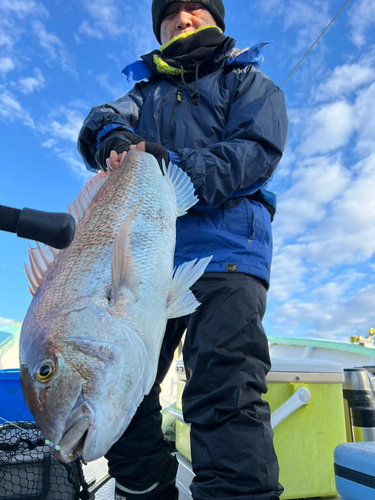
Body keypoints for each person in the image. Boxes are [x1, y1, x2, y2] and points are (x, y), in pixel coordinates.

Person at [77, 1, 288, 499]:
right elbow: (102, 118)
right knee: (121, 395)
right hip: (151, 264)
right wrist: (113, 135)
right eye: (170, 14)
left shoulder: (249, 83)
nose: (183, 19)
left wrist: (169, 166)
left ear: (216, 19)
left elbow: (254, 154)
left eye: (195, 8)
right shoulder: (144, 93)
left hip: (229, 252)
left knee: (224, 390)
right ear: (159, 28)